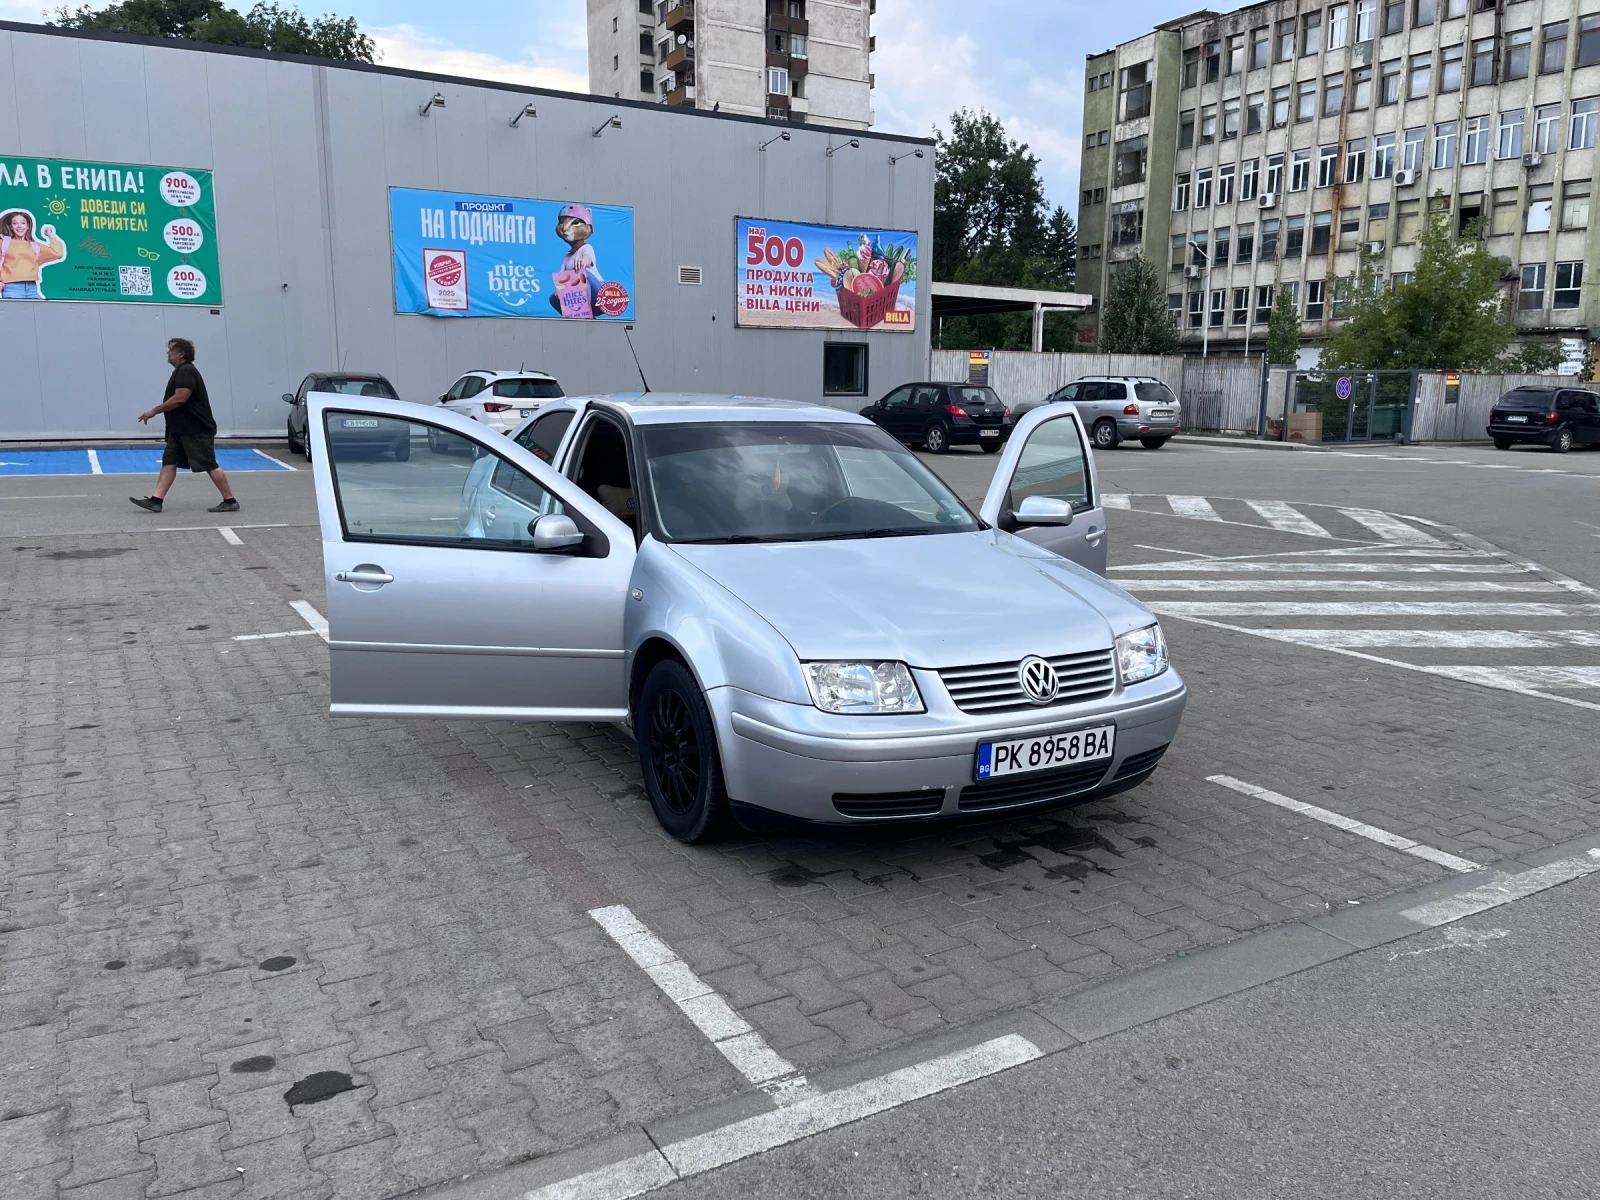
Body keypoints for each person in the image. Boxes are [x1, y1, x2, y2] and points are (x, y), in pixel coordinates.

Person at [129, 338, 238, 514]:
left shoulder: (186, 370)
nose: (168, 353)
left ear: (181, 354)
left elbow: (181, 398)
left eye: (171, 350)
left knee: (209, 464)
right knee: (169, 461)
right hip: (180, 430)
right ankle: (156, 501)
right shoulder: (180, 371)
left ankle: (230, 500)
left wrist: (154, 411)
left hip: (195, 429)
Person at [0, 209, 65, 299]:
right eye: (15, 223)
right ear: (10, 226)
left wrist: (50, 236)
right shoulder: (3, 243)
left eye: (23, 223)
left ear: (28, 226)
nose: (19, 226)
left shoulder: (34, 245)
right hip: (11, 287)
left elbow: (57, 253)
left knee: (39, 308)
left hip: (32, 287)